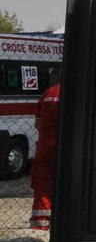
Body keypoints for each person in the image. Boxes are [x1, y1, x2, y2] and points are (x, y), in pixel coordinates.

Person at [28, 80, 60, 231]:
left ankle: (40, 224)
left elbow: (37, 123)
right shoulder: (74, 93)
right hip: (65, 146)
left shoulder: (48, 93)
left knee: (43, 184)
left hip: (45, 145)